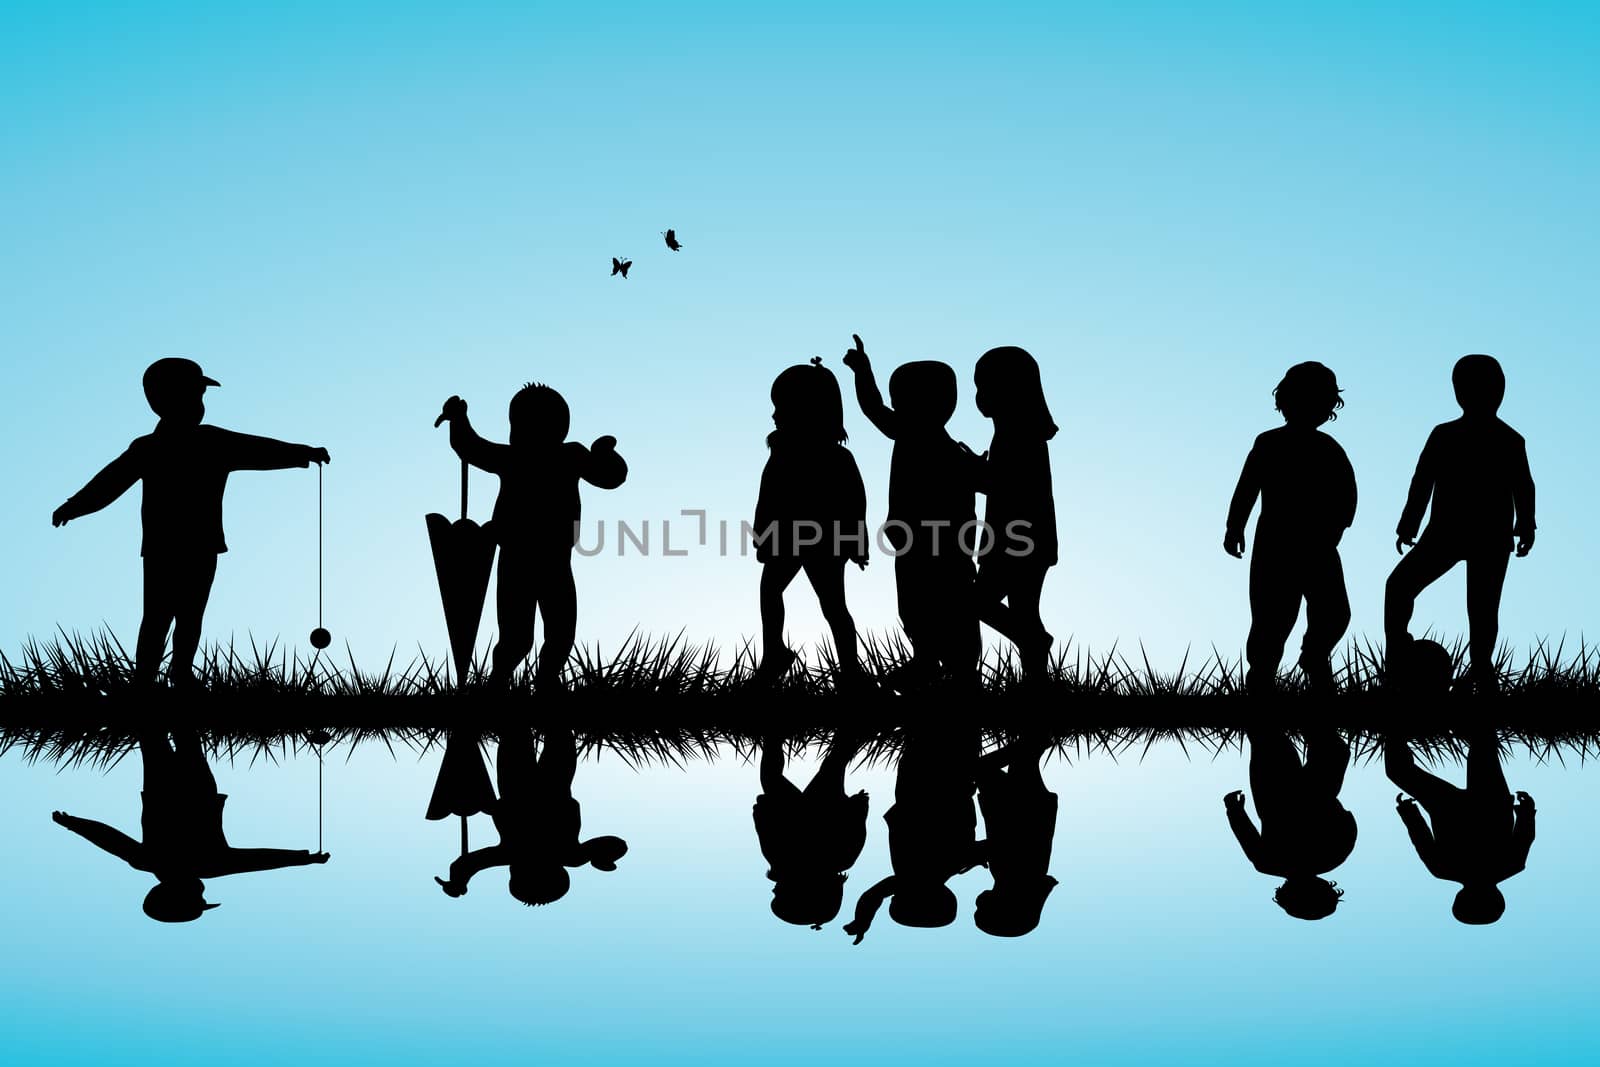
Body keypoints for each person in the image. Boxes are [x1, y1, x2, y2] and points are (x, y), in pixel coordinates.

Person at [51, 358, 330, 688]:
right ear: (175, 398)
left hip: (172, 546)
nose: (200, 405)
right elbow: (109, 483)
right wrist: (304, 454)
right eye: (197, 395)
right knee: (172, 616)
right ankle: (159, 679)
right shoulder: (201, 443)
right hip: (190, 546)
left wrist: (303, 453)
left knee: (176, 615)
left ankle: (165, 677)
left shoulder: (157, 447)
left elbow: (260, 450)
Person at [436, 385, 627, 689]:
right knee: (516, 637)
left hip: (554, 560)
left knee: (561, 633)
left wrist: (605, 455)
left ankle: (546, 680)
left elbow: (610, 477)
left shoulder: (569, 456)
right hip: (517, 560)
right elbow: (470, 447)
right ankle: (499, 681)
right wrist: (458, 420)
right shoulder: (516, 457)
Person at [52, 729, 330, 922]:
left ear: (178, 896)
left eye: (198, 899)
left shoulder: (209, 866)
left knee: (182, 736)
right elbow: (109, 839)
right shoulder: (148, 861)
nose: (203, 892)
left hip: (196, 792)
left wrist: (306, 859)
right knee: (155, 735)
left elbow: (260, 860)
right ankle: (163, 683)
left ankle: (171, 682)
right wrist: (72, 823)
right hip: (163, 789)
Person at [1386, 354, 1536, 692]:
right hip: (1449, 533)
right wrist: (1409, 524)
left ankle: (1481, 672)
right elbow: (1422, 480)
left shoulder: (1510, 440)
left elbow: (1523, 485)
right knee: (1400, 587)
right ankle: (1400, 659)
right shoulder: (1447, 435)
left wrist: (1527, 524)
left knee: (1481, 609)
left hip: (1485, 536)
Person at [842, 334, 984, 689]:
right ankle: (930, 663)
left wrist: (862, 371)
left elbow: (873, 408)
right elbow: (874, 407)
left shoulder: (945, 450)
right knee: (917, 606)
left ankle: (960, 668)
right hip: (916, 543)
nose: (894, 406)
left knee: (949, 605)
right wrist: (862, 371)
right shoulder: (939, 446)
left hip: (940, 546)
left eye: (900, 400)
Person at [1224, 362, 1356, 693]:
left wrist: (1337, 528)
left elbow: (1346, 494)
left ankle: (1314, 656)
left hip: (1319, 545)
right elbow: (1247, 489)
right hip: (1275, 546)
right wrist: (1234, 527)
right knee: (1272, 618)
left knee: (1335, 612)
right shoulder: (1268, 443)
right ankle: (1261, 679)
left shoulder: (1328, 449)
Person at [751, 358, 868, 687]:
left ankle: (850, 673)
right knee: (773, 591)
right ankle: (775, 652)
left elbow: (854, 502)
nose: (774, 415)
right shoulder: (782, 454)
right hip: (791, 537)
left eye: (781, 407)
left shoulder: (834, 458)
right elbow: (769, 496)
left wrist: (855, 540)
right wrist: (764, 533)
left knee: (832, 605)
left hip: (823, 541)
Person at [434, 727, 626, 906]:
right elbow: (466, 864)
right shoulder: (517, 854)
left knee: (542, 733)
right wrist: (458, 882)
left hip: (534, 789)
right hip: (535, 789)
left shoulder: (570, 856)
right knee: (528, 732)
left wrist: (602, 859)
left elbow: (615, 845)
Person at [844, 726, 987, 943]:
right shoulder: (909, 877)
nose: (892, 896)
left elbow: (872, 897)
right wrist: (862, 920)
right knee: (924, 727)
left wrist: (862, 920)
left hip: (953, 778)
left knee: (954, 727)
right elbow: (873, 896)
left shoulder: (953, 864)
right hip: (918, 779)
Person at [969, 347, 1058, 680]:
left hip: (1015, 537)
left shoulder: (1015, 436)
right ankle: (1036, 683)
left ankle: (1033, 642)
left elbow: (1006, 485)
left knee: (977, 602)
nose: (979, 396)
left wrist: (973, 472)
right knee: (1024, 610)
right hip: (1030, 536)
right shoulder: (1022, 433)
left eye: (984, 386)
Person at [1386, 730, 1535, 924]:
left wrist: (1526, 811)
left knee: (1482, 747)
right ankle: (1394, 726)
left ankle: (1396, 725)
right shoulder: (1442, 869)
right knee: (1399, 771)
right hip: (1461, 806)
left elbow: (1524, 836)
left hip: (1478, 804)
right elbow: (1420, 837)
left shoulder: (1512, 866)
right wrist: (1408, 812)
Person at [1224, 728, 1356, 920]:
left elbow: (1347, 820)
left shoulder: (1336, 856)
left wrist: (1234, 810)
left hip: (1315, 790)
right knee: (1266, 737)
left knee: (1331, 748)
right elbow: (1245, 834)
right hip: (1274, 794)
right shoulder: (1268, 864)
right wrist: (1233, 809)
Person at [753, 731, 870, 928]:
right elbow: (765, 830)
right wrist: (762, 809)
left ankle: (849, 729)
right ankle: (773, 733)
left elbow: (857, 831)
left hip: (816, 812)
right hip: (814, 811)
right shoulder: (781, 860)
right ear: (799, 893)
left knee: (834, 764)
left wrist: (859, 806)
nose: (773, 890)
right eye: (778, 893)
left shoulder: (842, 860)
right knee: (774, 778)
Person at [973, 736, 1059, 937]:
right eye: (981, 909)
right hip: (1021, 807)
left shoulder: (1019, 880)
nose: (978, 903)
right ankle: (1040, 736)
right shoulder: (1014, 877)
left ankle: (1035, 739)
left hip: (1025, 806)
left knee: (1021, 759)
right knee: (1018, 758)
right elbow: (1004, 845)